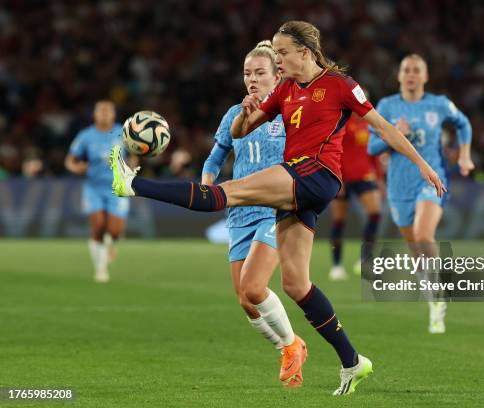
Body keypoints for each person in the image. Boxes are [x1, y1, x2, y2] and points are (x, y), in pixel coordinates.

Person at [110, 21, 445, 395]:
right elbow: (241, 130)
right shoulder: (285, 89)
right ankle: (353, 361)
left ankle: (133, 183)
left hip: (315, 174)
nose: (278, 59)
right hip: (300, 187)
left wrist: (422, 163)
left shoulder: (340, 85)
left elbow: (383, 128)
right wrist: (245, 112)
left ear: (305, 52)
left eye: (282, 52)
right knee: (295, 285)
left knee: (222, 194)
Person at [201, 40, 303, 387]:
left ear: (278, 75)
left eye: (260, 72)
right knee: (245, 302)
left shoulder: (289, 113)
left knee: (254, 286)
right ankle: (288, 346)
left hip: (275, 210)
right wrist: (206, 184)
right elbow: (215, 158)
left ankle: (291, 347)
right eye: (247, 73)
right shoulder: (234, 114)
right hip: (239, 211)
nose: (252, 79)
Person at [368, 54, 473, 334]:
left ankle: (438, 292)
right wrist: (393, 133)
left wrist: (464, 156)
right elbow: (371, 148)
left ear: (425, 77)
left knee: (424, 235)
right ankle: (433, 300)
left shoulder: (438, 104)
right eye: (406, 70)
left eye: (417, 70)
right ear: (399, 76)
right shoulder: (387, 106)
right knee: (415, 247)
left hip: (431, 178)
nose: (411, 74)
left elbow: (463, 123)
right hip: (399, 185)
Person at [65, 100, 130, 283]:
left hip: (118, 187)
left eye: (108, 111)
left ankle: (112, 242)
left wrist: (133, 165)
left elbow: (135, 155)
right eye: (100, 111)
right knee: (98, 226)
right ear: (94, 115)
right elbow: (69, 160)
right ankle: (101, 270)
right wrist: (76, 167)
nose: (104, 114)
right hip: (93, 187)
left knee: (115, 231)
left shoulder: (123, 133)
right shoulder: (86, 136)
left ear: (113, 114)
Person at [329, 110, 383, 281]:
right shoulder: (342, 122)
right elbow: (334, 150)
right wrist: (337, 178)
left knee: (375, 213)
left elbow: (374, 153)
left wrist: (380, 179)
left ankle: (365, 259)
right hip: (343, 179)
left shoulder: (370, 124)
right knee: (339, 220)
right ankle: (336, 266)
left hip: (365, 176)